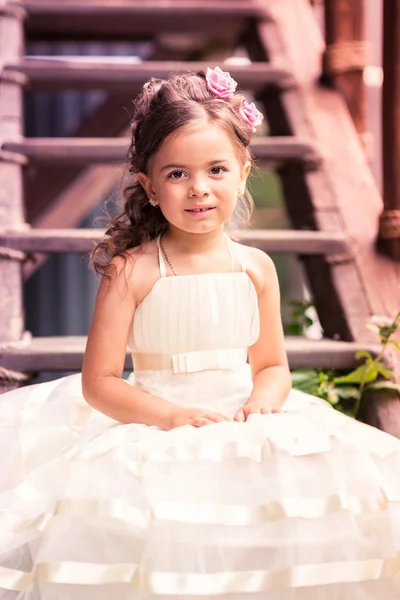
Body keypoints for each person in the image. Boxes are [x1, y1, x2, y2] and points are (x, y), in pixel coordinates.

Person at [0, 66, 399, 600]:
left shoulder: (255, 267)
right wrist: (171, 417)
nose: (199, 189)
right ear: (149, 184)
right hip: (156, 418)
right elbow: (99, 381)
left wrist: (261, 405)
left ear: (242, 170)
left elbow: (273, 365)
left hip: (239, 417)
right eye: (177, 174)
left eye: (215, 169)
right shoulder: (132, 270)